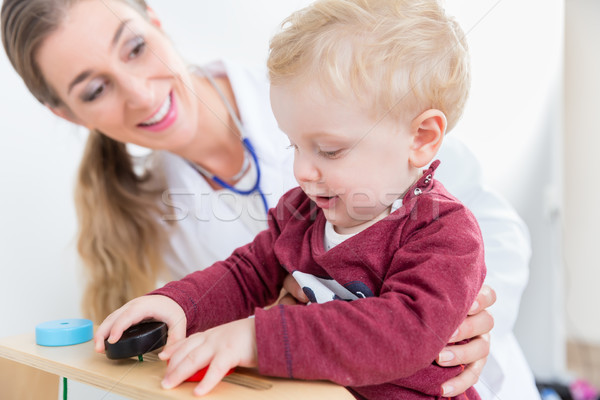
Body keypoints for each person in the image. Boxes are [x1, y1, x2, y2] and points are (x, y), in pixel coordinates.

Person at [0, 0, 540, 398]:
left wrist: (456, 317)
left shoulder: (428, 211)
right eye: (94, 89)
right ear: (68, 113)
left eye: (327, 149)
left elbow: (409, 325)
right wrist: (179, 304)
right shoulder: (305, 203)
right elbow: (244, 274)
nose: (302, 169)